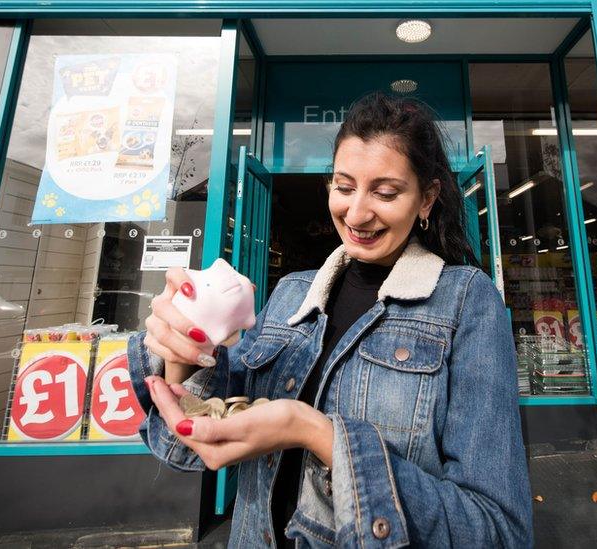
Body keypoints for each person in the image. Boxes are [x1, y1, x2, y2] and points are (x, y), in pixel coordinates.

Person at [129, 92, 533, 547]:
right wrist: (183, 354)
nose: (357, 214)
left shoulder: (465, 301)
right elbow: (192, 443)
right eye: (343, 187)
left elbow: (497, 530)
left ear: (427, 198)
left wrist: (314, 433)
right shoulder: (292, 294)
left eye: (385, 192)